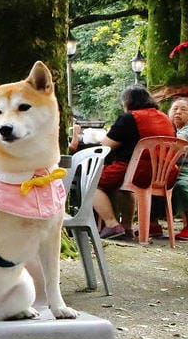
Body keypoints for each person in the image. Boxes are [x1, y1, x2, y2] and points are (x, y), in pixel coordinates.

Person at [71, 85, 175, 239]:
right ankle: (126, 227)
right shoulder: (165, 118)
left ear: (127, 102)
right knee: (122, 186)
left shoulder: (130, 118)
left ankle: (112, 225)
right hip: (166, 173)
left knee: (90, 182)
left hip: (139, 171)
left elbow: (105, 146)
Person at [170, 97, 188, 240]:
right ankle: (152, 224)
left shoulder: (185, 130)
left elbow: (178, 142)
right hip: (179, 167)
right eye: (175, 109)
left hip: (185, 169)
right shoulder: (173, 129)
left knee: (182, 185)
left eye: (183, 109)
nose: (178, 112)